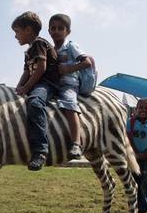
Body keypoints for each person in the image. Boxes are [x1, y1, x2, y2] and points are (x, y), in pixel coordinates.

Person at [11, 11, 60, 171]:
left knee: (35, 103)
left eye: (17, 32)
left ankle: (40, 150)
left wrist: (26, 88)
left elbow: (41, 68)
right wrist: (18, 88)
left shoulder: (39, 43)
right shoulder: (29, 50)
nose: (16, 36)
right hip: (36, 83)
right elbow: (27, 71)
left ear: (28, 30)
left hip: (47, 83)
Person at [48, 14, 92, 159]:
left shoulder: (71, 46)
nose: (56, 31)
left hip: (69, 84)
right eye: (53, 28)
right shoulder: (51, 49)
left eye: (61, 28)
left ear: (68, 31)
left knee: (69, 103)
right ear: (49, 31)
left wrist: (68, 69)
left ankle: (76, 142)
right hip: (54, 84)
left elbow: (86, 62)